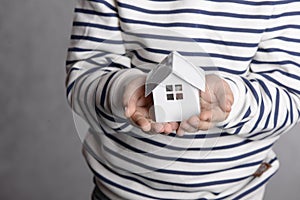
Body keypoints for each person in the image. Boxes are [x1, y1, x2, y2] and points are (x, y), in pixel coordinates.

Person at [65, 0, 300, 199]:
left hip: (235, 193)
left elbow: (288, 99)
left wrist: (233, 101)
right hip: (121, 192)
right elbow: (83, 79)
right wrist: (121, 90)